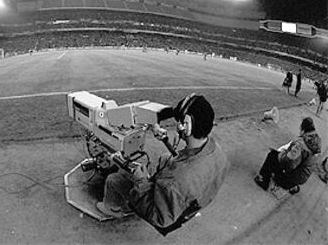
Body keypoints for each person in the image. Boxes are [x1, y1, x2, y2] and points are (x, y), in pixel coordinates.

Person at [96, 94, 229, 236]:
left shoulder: (174, 183)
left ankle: (112, 208)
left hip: (167, 213)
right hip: (195, 196)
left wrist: (141, 181)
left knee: (114, 180)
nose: (177, 124)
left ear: (187, 127)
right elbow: (184, 159)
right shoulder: (217, 150)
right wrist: (165, 139)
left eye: (179, 121)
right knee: (165, 158)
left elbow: (159, 219)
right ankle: (146, 188)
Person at [254, 117, 322, 195]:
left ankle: (264, 181)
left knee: (272, 155)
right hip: (302, 177)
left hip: (290, 178)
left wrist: (282, 153)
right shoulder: (317, 141)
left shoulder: (300, 145)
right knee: (297, 166)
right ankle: (293, 187)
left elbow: (288, 164)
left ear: (303, 130)